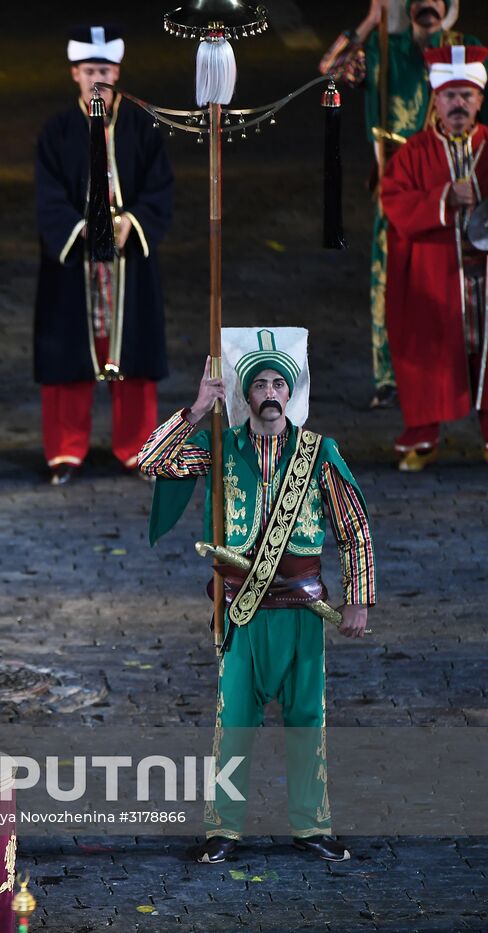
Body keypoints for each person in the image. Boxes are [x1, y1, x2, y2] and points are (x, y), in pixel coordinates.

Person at [137, 329, 375, 864]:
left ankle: (312, 827)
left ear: (290, 394)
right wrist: (198, 409)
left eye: (277, 384)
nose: (269, 392)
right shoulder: (220, 449)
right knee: (235, 720)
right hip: (241, 610)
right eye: (259, 384)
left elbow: (353, 526)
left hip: (302, 611)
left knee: (307, 720)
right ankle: (224, 830)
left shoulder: (318, 453)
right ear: (247, 395)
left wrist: (358, 598)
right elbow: (150, 461)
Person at [34, 26, 173, 485]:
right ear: (75, 74)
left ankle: (137, 447)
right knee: (69, 356)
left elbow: (160, 188)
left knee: (134, 353)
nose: (99, 78)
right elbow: (48, 195)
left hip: (129, 260)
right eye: (90, 70)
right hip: (75, 264)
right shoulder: (56, 132)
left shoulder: (142, 127)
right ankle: (64, 451)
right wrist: (86, 230)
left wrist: (129, 224)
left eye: (106, 70)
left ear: (118, 73)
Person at [323, 0, 478, 408]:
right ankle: (390, 378)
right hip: (401, 184)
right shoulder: (382, 53)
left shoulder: (465, 46)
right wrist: (372, 20)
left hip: (457, 180)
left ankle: (462, 371)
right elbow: (330, 70)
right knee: (390, 277)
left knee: (460, 277)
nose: (426, 4)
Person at [382, 45, 488, 469]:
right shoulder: (414, 153)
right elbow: (394, 203)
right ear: (435, 100)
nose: (458, 104)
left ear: (480, 99)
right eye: (449, 96)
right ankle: (423, 434)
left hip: (485, 280)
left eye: (466, 95)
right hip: (436, 276)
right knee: (427, 350)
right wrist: (444, 198)